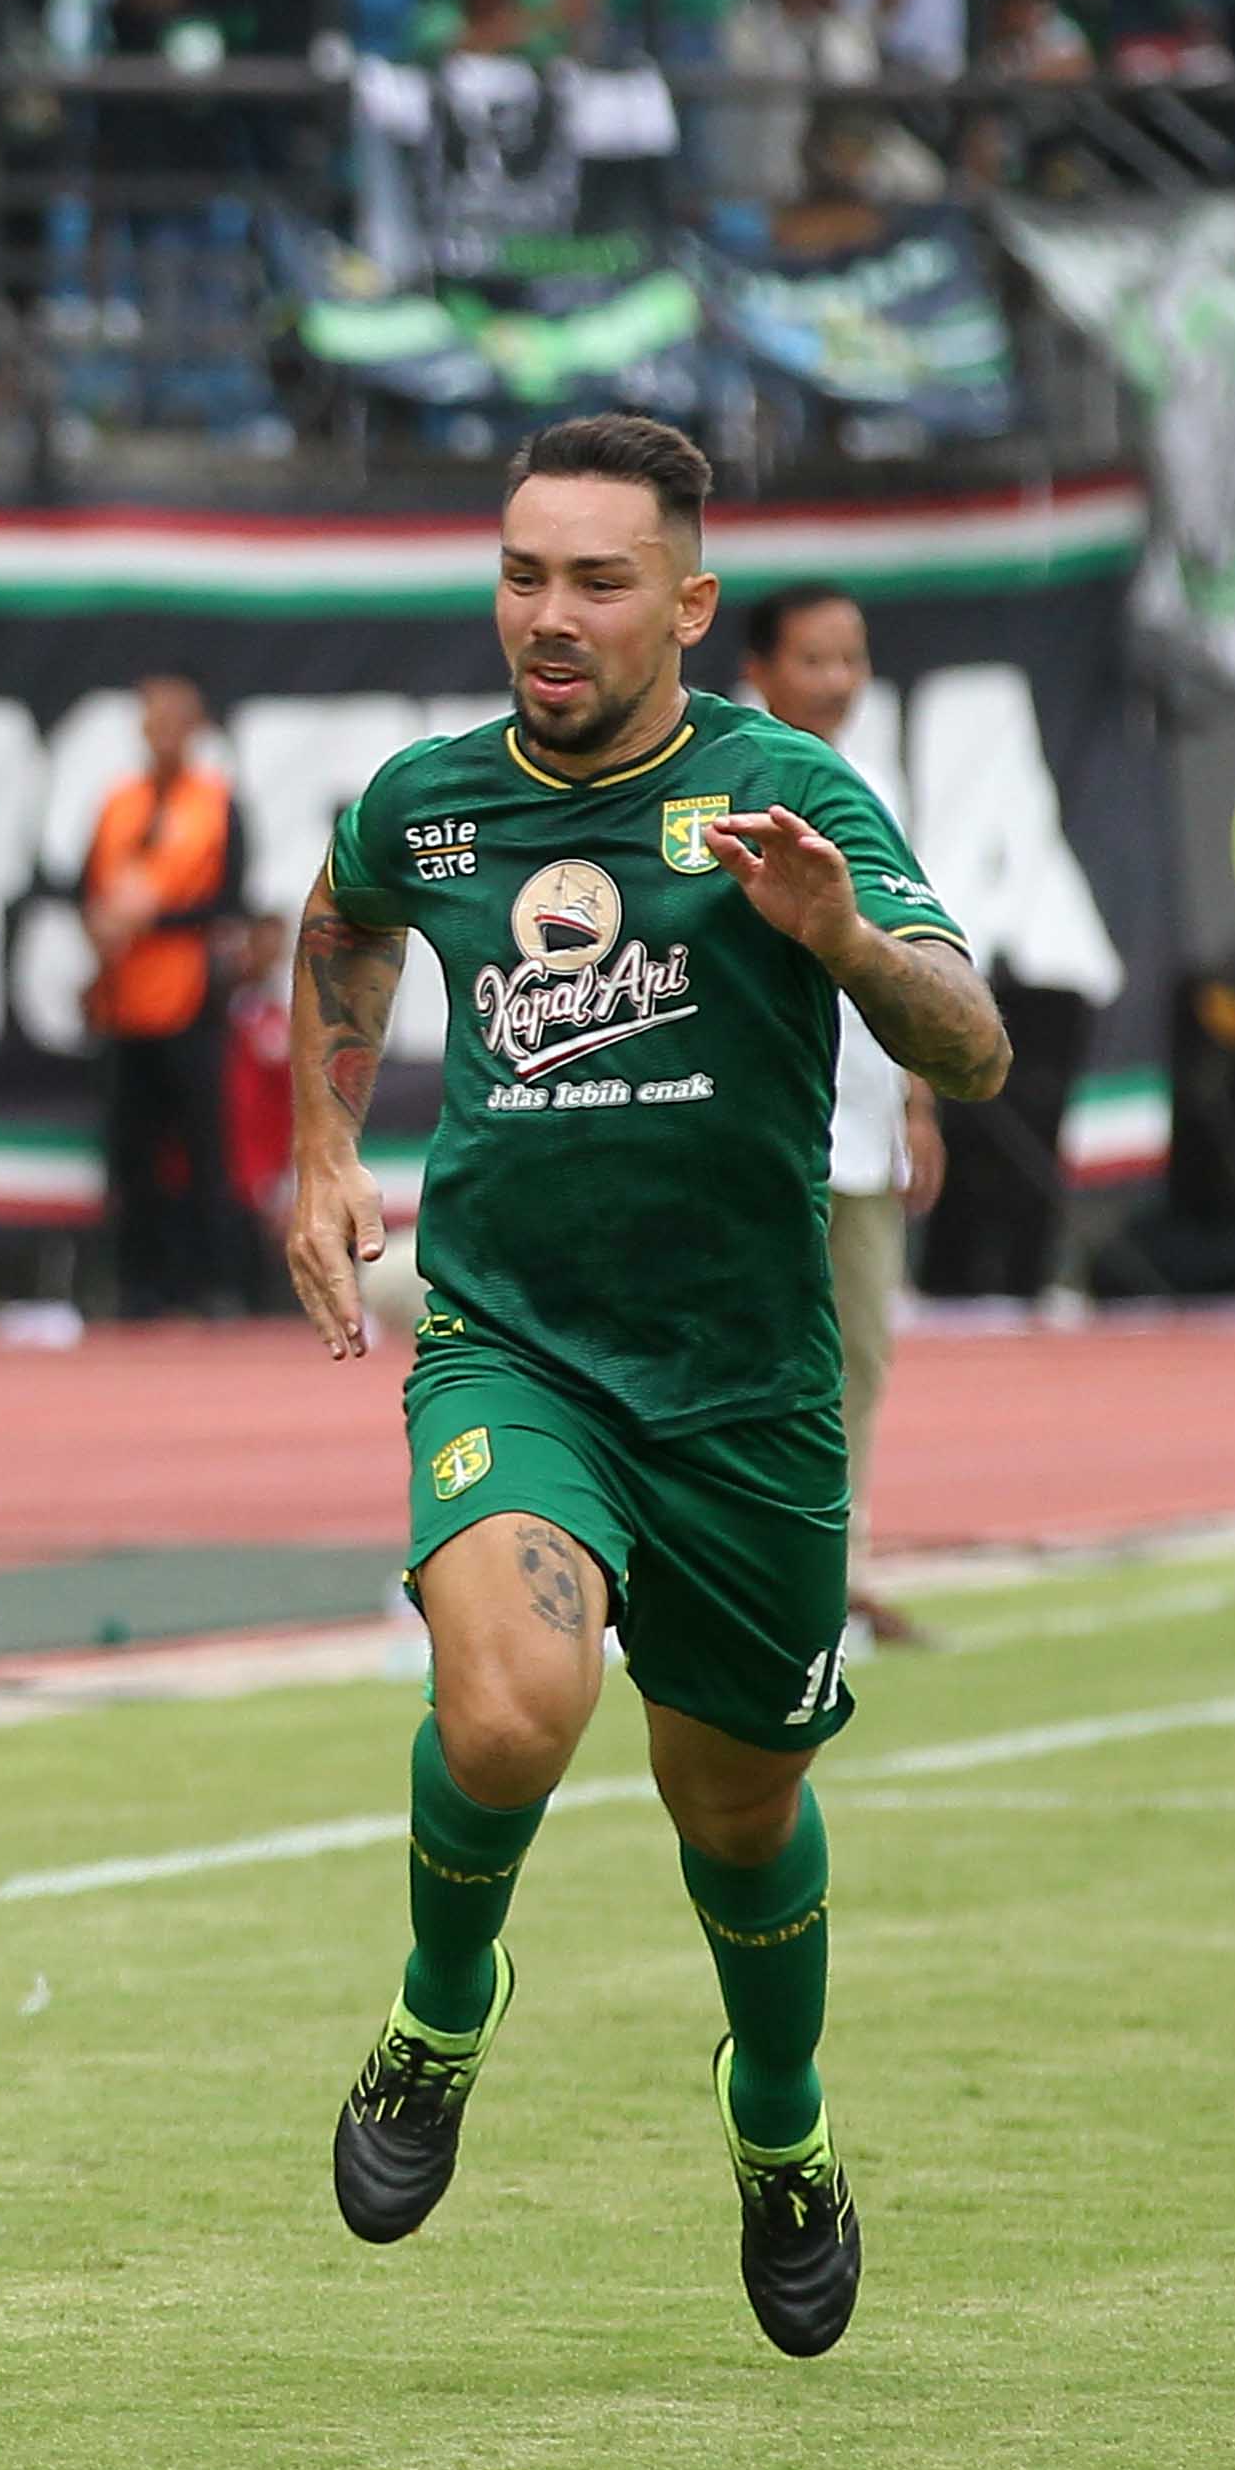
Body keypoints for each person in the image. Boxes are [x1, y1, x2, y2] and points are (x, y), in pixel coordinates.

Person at [286, 412, 1010, 2360]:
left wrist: (844, 939)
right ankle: (443, 2009)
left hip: (744, 1394)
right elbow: (345, 915)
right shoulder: (433, 804)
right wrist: (321, 1147)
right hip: (514, 1348)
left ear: (688, 605)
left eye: (599, 581)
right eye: (525, 572)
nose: (552, 613)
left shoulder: (788, 792)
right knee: (512, 1715)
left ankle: (781, 2128)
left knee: (736, 1809)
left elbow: (978, 1044)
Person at [739, 585, 940, 1642]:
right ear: (759, 667)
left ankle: (837, 1575)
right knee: (737, 1352)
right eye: (814, 660)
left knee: (859, 1350)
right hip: (750, 1127)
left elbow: (916, 951)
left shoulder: (876, 776)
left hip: (860, 1124)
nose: (837, 681)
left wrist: (919, 1102)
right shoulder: (718, 774)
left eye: (850, 659)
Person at [81, 672, 267, 1319]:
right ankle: (138, 1286)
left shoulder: (217, 804)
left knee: (203, 1148)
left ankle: (211, 1284)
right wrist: (104, 927)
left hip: (190, 1000)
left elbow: (230, 904)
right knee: (129, 1152)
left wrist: (151, 918)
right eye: (150, 719)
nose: (160, 733)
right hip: (124, 1002)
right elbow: (89, 887)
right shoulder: (118, 802)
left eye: (172, 720)